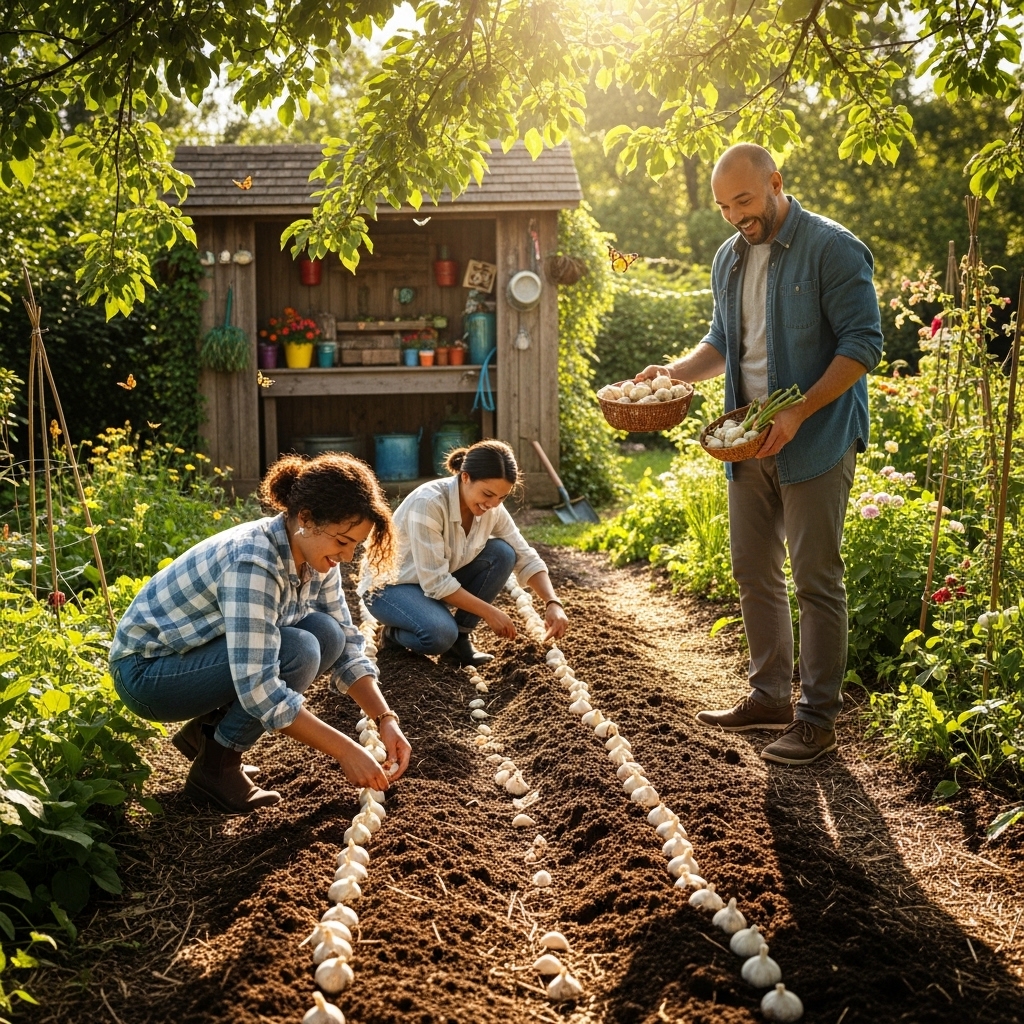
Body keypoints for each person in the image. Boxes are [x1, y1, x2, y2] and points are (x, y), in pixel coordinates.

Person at [638, 142, 883, 766]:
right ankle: (770, 696)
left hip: (816, 438)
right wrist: (674, 373)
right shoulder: (728, 257)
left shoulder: (832, 247)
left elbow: (863, 344)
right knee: (753, 569)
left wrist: (800, 411)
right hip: (745, 438)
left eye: (743, 201)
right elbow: (721, 341)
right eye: (723, 206)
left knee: (815, 579)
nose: (734, 216)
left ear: (776, 183)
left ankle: (817, 721)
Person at [110, 453, 412, 813]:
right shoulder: (253, 563)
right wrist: (346, 750)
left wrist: (385, 719)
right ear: (306, 519)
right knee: (299, 649)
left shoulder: (313, 552)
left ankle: (208, 732)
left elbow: (346, 643)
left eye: (354, 545)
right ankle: (216, 767)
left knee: (328, 634)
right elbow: (259, 688)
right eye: (342, 541)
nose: (346, 556)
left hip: (191, 657)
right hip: (147, 674)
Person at [360, 439, 568, 666]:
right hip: (390, 588)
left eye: (502, 497)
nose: (493, 504)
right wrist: (490, 612)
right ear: (465, 477)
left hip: (427, 583)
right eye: (488, 494)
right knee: (440, 635)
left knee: (503, 553)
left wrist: (552, 602)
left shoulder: (492, 508)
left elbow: (524, 554)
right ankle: (394, 635)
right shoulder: (428, 503)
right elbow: (436, 582)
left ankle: (460, 640)